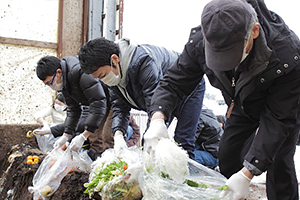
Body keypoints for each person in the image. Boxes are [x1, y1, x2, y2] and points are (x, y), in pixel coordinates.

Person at [144, 0, 300, 199]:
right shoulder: (201, 41)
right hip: (242, 104)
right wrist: (158, 117)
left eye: (231, 54)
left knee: (278, 161)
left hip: (280, 106)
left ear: (254, 31)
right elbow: (174, 82)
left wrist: (248, 173)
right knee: (228, 156)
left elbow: (278, 120)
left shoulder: (287, 54)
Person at [78, 37, 206, 159]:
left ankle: (183, 178)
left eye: (103, 75)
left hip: (189, 87)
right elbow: (120, 107)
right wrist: (118, 136)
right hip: (162, 99)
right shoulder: (114, 77)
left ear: (114, 59)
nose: (104, 80)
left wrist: (150, 135)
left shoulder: (143, 62)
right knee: (152, 144)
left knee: (182, 139)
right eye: (99, 78)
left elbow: (154, 102)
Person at [36, 55, 113, 159]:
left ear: (58, 72)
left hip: (113, 99)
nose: (51, 86)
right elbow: (73, 110)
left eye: (50, 82)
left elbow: (98, 102)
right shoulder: (64, 83)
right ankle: (97, 166)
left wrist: (83, 136)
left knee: (107, 136)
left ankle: (115, 168)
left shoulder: (79, 72)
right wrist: (65, 136)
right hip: (99, 103)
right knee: (95, 138)